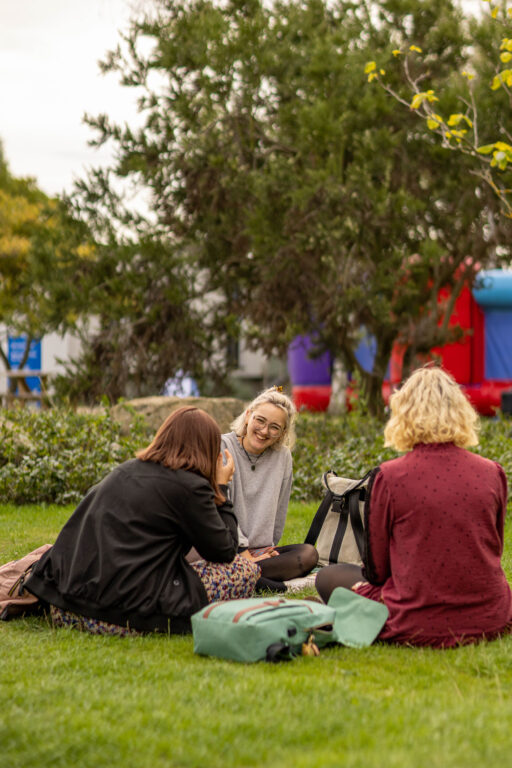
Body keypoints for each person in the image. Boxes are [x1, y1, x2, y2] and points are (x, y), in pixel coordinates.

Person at [316, 365, 512, 648]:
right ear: (462, 412)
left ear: (403, 414)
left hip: (416, 618)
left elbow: (377, 572)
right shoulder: (493, 472)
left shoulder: (390, 476)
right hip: (490, 615)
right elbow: (493, 550)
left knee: (328, 577)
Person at [25, 407, 260, 636]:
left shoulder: (125, 470)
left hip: (64, 605)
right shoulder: (189, 486)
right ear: (208, 449)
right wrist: (220, 488)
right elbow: (225, 551)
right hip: (116, 614)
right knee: (244, 569)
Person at [221, 386, 318, 592]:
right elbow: (219, 505)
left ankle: (247, 576)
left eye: (274, 427)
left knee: (309, 555)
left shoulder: (282, 456)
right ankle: (265, 582)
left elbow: (280, 507)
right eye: (260, 420)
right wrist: (242, 550)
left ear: (283, 433)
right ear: (248, 416)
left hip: (260, 555)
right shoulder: (222, 446)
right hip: (226, 549)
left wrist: (268, 549)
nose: (264, 431)